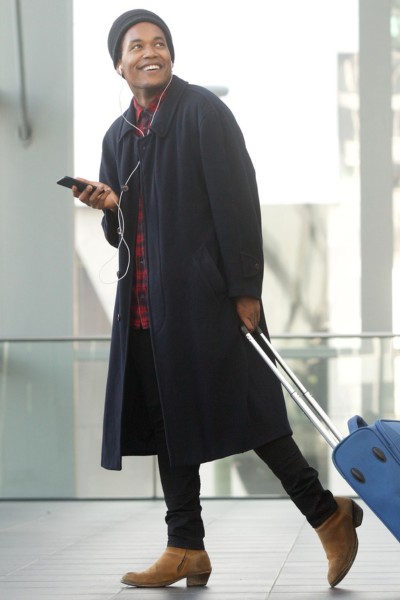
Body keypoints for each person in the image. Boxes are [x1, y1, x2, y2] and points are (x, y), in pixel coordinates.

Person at [73, 8, 363, 589]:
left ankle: (327, 515)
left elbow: (237, 202)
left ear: (170, 56)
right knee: (167, 426)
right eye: (136, 46)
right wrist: (109, 209)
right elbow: (122, 234)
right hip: (147, 312)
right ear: (118, 65)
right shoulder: (116, 136)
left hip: (206, 302)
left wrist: (245, 289)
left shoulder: (203, 111)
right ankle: (186, 547)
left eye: (159, 43)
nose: (149, 52)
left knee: (252, 413)